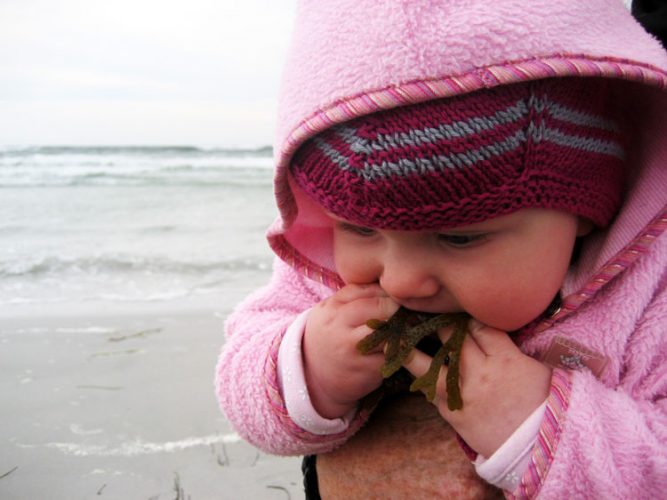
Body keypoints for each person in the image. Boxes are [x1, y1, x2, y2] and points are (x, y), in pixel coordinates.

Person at [216, 0, 667, 497]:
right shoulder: (323, 274)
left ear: (586, 211)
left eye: (458, 237)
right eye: (360, 231)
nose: (400, 280)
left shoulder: (650, 293)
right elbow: (243, 375)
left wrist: (534, 426)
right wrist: (308, 367)